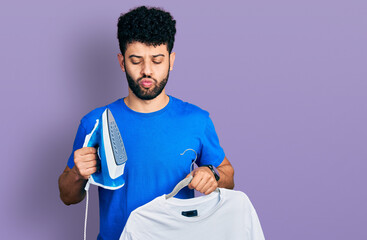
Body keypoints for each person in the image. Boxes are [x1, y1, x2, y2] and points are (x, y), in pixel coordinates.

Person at [58, 6, 235, 240]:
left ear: (171, 60)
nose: (147, 71)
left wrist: (212, 174)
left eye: (157, 60)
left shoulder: (196, 120)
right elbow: (67, 196)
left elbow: (228, 176)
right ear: (122, 62)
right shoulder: (95, 122)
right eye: (136, 60)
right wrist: (79, 175)